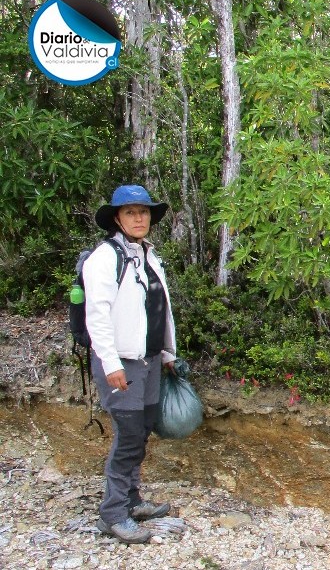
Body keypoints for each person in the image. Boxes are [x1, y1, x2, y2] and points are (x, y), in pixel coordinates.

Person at [83, 184, 177, 544]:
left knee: (143, 429)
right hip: (121, 363)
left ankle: (132, 500)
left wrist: (167, 353)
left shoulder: (147, 254)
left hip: (150, 360)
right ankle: (113, 514)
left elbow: (159, 309)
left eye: (144, 212)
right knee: (128, 435)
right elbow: (97, 316)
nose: (139, 218)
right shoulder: (105, 258)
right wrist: (110, 363)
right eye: (131, 212)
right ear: (117, 219)